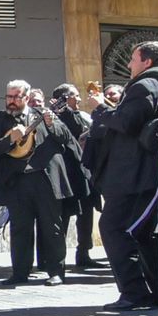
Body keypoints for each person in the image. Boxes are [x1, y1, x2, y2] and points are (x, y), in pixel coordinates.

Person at [94, 42, 158, 314]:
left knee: (113, 227)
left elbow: (127, 122)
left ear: (146, 62)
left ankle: (133, 293)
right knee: (144, 234)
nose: (129, 65)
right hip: (152, 173)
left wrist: (102, 111)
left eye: (133, 59)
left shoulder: (144, 86)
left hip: (134, 175)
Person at [0, 80, 81, 286]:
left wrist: (51, 123)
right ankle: (20, 272)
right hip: (16, 180)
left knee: (52, 227)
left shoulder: (43, 114)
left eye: (16, 97)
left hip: (44, 178)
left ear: (26, 98)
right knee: (20, 228)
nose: (11, 101)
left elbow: (66, 138)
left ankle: (56, 271)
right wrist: (11, 139)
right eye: (8, 97)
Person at [52, 84, 100, 270]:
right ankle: (58, 259)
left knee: (86, 214)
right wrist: (62, 110)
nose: (79, 99)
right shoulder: (53, 117)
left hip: (83, 172)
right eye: (74, 96)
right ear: (63, 98)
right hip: (64, 173)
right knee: (62, 216)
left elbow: (83, 131)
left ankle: (84, 253)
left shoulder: (83, 116)